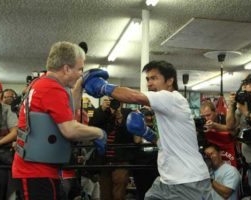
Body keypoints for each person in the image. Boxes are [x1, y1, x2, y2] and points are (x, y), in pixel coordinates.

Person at [82, 60, 212, 200]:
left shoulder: (173, 98)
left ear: (170, 81)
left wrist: (103, 87)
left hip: (188, 181)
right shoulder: (163, 109)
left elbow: (134, 96)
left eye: (154, 78)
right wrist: (146, 133)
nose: (149, 83)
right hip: (166, 181)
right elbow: (164, 142)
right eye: (148, 79)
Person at [12, 41, 106, 200]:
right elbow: (70, 129)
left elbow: (68, 109)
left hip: (40, 170)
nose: (80, 74)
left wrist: (80, 85)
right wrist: (99, 133)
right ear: (67, 68)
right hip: (35, 172)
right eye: (79, 69)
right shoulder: (52, 88)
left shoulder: (41, 83)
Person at [89, 96, 134, 200]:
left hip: (121, 159)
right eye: (110, 100)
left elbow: (129, 135)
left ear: (122, 101)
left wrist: (119, 117)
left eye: (116, 100)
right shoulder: (103, 113)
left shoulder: (127, 113)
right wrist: (101, 110)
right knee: (105, 193)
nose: (114, 102)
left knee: (119, 193)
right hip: (104, 160)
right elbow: (91, 128)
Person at [200, 101, 237, 167]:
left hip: (228, 154)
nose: (206, 118)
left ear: (215, 112)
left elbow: (233, 130)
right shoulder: (201, 123)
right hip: (212, 155)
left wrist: (215, 126)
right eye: (203, 116)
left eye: (208, 115)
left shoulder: (226, 119)